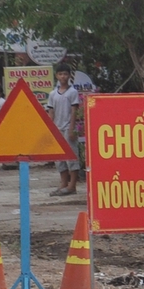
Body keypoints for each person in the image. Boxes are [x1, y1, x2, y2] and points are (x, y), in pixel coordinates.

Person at [47, 67, 83, 195]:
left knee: (72, 156)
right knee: (59, 157)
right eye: (60, 73)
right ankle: (63, 183)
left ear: (69, 76)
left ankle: (72, 185)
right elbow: (51, 112)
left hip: (68, 127)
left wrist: (72, 129)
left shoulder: (72, 92)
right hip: (57, 127)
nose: (63, 76)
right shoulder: (52, 94)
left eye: (65, 74)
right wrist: (50, 129)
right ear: (57, 76)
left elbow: (74, 111)